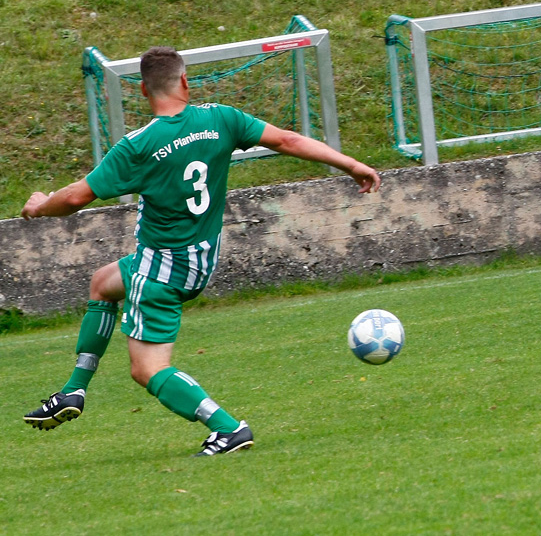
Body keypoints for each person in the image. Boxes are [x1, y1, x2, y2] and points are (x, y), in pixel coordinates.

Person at [21, 46, 381, 455]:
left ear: (143, 90)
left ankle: (227, 427)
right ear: (185, 82)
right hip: (199, 260)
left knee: (148, 369)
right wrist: (350, 164)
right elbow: (287, 139)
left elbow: (72, 200)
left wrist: (38, 205)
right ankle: (73, 391)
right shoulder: (220, 119)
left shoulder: (139, 145)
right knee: (102, 283)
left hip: (160, 270)